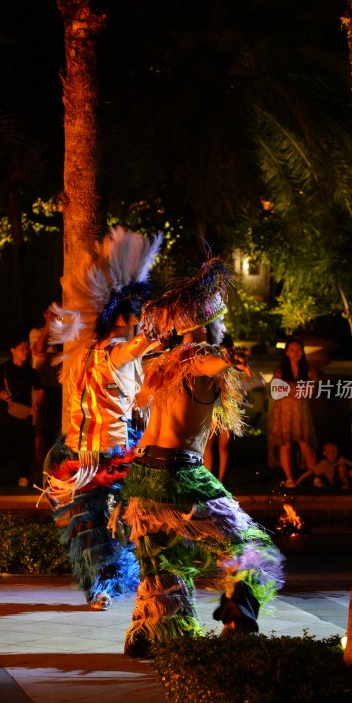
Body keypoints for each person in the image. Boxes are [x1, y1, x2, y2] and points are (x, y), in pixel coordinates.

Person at [111, 259, 285, 658]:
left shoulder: (161, 364)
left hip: (142, 479)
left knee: (162, 561)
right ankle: (238, 622)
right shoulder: (197, 359)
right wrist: (229, 360)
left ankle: (151, 635)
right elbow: (207, 360)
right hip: (178, 475)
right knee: (254, 547)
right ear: (206, 327)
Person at [44, 226, 164, 610]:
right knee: (107, 523)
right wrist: (156, 334)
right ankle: (112, 583)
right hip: (99, 455)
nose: (140, 317)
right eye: (137, 312)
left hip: (91, 451)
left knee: (98, 525)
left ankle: (111, 584)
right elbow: (132, 351)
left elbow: (136, 386)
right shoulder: (112, 352)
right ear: (122, 313)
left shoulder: (91, 353)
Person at [0, 336, 44, 487]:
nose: (25, 352)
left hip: (24, 412)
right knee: (0, 443)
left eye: (26, 349)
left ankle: (23, 476)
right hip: (5, 411)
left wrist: (35, 406)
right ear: (12, 350)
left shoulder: (30, 371)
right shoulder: (3, 368)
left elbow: (40, 391)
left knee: (24, 444)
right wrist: (0, 395)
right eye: (21, 349)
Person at [267, 336, 318, 488]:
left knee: (306, 444)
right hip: (283, 411)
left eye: (298, 350)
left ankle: (316, 475)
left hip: (300, 411)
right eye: (292, 350)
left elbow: (309, 390)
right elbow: (277, 389)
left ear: (302, 352)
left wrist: (289, 389)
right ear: (287, 353)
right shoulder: (281, 370)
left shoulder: (308, 370)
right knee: (285, 444)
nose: (295, 353)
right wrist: (295, 390)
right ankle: (289, 478)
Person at [29, 303, 62, 478]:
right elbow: (38, 348)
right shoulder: (36, 333)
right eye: (51, 313)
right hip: (42, 387)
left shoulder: (64, 336)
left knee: (58, 430)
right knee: (41, 430)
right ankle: (38, 469)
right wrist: (49, 324)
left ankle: (56, 468)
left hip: (59, 387)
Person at [203, 332, 234, 483]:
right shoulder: (211, 363)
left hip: (227, 407)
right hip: (212, 406)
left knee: (224, 445)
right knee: (208, 444)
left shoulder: (232, 366)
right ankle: (208, 478)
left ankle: (222, 480)